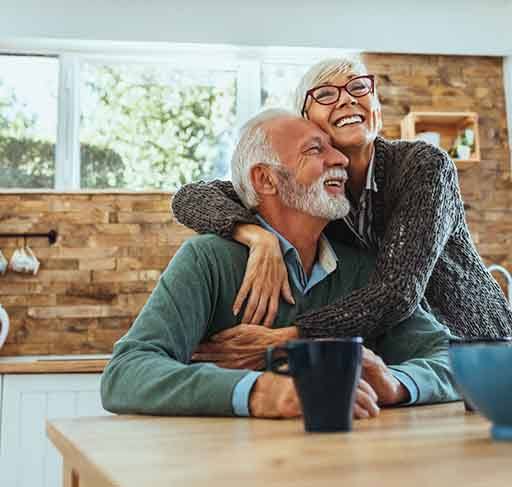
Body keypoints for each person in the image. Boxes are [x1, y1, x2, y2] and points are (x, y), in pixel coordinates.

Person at [101, 110, 459, 419]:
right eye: (316, 150)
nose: (341, 160)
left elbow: (451, 359)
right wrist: (263, 392)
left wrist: (396, 383)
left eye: (334, 149)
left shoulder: (363, 269)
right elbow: (126, 372)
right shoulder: (208, 260)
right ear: (265, 179)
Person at [171, 55, 512, 347]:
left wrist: (291, 337)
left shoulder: (424, 165)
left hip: (478, 345)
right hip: (400, 352)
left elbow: (397, 292)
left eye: (358, 87)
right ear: (306, 119)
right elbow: (191, 197)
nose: (347, 99)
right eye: (325, 94)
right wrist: (255, 236)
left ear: (375, 106)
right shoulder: (312, 189)